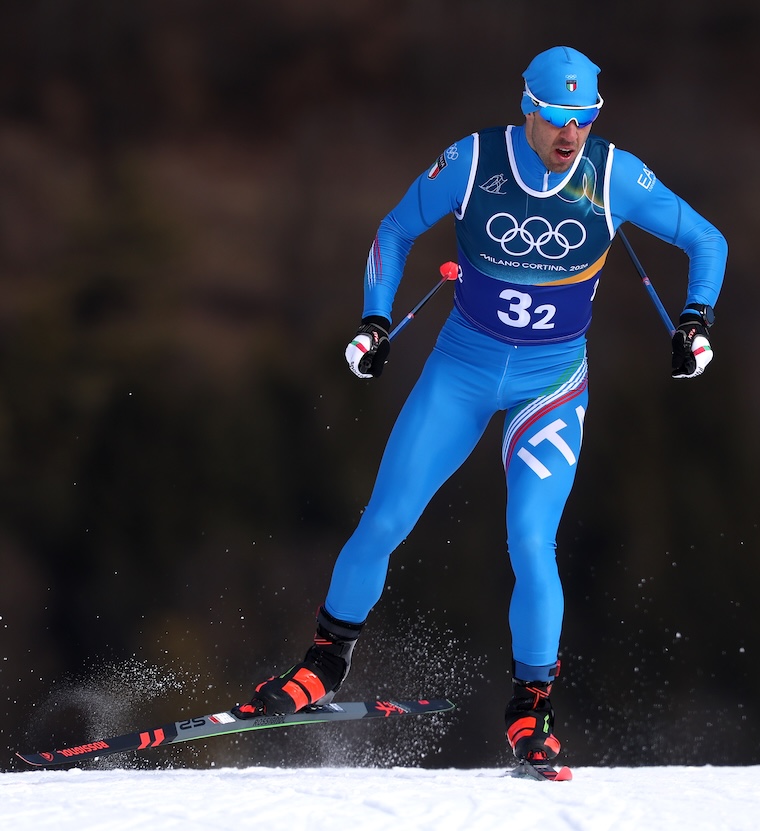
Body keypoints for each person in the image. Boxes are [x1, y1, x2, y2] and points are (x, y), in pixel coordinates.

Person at [234, 46, 727, 769]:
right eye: (557, 119)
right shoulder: (472, 162)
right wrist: (375, 321)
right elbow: (395, 230)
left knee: (531, 540)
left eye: (583, 120)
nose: (569, 136)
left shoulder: (614, 175)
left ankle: (531, 707)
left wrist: (695, 320)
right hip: (460, 372)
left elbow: (705, 240)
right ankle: (323, 664)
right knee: (386, 519)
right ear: (528, 109)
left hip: (550, 386)